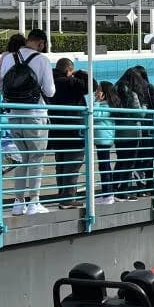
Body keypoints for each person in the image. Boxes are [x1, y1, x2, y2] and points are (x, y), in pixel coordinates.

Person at [0, 29, 55, 216]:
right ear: (40, 43)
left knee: (22, 159)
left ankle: (18, 202)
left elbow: (0, 86)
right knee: (36, 158)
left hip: (13, 114)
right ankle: (34, 202)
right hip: (35, 114)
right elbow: (50, 91)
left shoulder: (9, 58)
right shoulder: (42, 60)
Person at [48, 58, 90, 209]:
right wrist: (81, 73)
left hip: (57, 129)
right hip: (73, 129)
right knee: (73, 164)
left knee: (61, 164)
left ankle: (63, 196)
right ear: (68, 71)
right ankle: (68, 198)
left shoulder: (49, 82)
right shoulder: (69, 83)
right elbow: (90, 85)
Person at [113, 67, 151, 201]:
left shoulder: (115, 91)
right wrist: (145, 106)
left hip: (119, 132)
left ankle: (113, 188)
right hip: (132, 132)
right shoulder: (132, 94)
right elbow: (139, 114)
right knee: (129, 163)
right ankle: (123, 191)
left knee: (121, 160)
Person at [94, 81, 119, 205]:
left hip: (104, 139)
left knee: (104, 166)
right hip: (102, 139)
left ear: (104, 93)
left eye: (98, 89)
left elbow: (93, 114)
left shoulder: (106, 106)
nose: (96, 92)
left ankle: (108, 195)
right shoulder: (107, 105)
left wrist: (96, 101)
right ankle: (107, 194)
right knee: (104, 166)